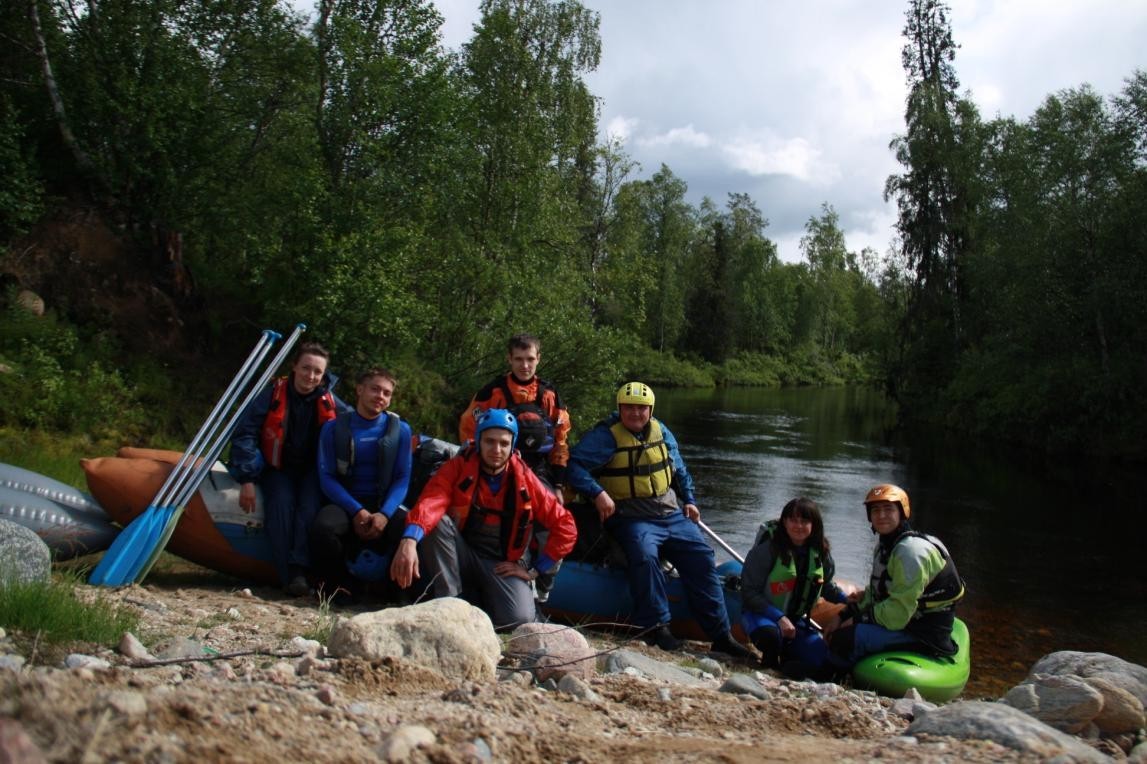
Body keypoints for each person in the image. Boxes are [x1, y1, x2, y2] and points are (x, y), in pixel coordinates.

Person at [565, 381, 753, 659]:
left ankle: (720, 635)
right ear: (619, 408)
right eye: (629, 407)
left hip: (669, 514)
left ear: (650, 410)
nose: (636, 414)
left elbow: (678, 469)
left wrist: (688, 499)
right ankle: (657, 628)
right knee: (644, 556)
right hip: (631, 517)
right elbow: (574, 465)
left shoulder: (661, 431)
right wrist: (598, 493)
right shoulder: (605, 436)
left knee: (702, 555)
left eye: (641, 408)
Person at [390, 409, 577, 630]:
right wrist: (409, 539)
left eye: (503, 443)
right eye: (489, 441)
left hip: (502, 563)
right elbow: (431, 502)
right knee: (437, 521)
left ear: (512, 445)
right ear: (478, 440)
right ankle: (450, 605)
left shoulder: (525, 479)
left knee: (519, 619)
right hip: (462, 553)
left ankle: (479, 610)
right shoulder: (458, 467)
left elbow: (565, 526)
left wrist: (535, 570)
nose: (496, 450)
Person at [227, 341, 346, 596]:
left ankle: (300, 570)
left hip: (313, 471)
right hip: (277, 468)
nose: (310, 376)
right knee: (280, 506)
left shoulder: (330, 400)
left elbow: (358, 422)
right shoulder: (271, 395)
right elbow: (245, 435)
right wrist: (246, 477)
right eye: (306, 368)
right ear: (294, 367)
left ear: (323, 376)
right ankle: (287, 575)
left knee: (309, 509)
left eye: (317, 372)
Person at [828, 484, 965, 668]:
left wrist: (857, 620)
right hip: (908, 621)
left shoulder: (911, 553)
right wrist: (843, 614)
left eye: (888, 509)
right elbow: (878, 592)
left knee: (844, 638)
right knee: (845, 624)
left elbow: (898, 613)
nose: (881, 515)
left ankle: (836, 676)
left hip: (923, 633)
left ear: (902, 512)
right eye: (875, 510)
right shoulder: (886, 547)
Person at [310, 368, 413, 604]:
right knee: (323, 528)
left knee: (407, 528)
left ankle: (398, 591)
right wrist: (356, 510)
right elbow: (327, 477)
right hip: (346, 502)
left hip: (383, 502)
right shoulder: (333, 429)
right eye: (375, 389)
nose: (380, 396)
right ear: (359, 390)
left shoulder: (401, 431)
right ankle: (337, 588)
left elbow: (402, 478)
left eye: (386, 393)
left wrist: (385, 514)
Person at [740, 497, 850, 679]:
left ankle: (789, 659)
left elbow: (826, 586)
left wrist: (849, 602)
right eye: (793, 520)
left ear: (814, 524)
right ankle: (770, 662)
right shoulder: (768, 550)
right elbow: (749, 592)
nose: (798, 526)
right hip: (760, 615)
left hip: (795, 620)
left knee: (823, 659)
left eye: (805, 521)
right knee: (771, 636)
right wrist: (779, 618)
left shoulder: (820, 553)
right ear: (784, 522)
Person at [459, 334, 571, 490]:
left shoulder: (549, 395)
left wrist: (558, 484)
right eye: (519, 359)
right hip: (498, 469)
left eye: (530, 359)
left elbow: (560, 440)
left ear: (538, 358)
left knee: (549, 510)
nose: (525, 365)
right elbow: (469, 430)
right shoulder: (492, 393)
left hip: (540, 471)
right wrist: (480, 466)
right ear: (509, 359)